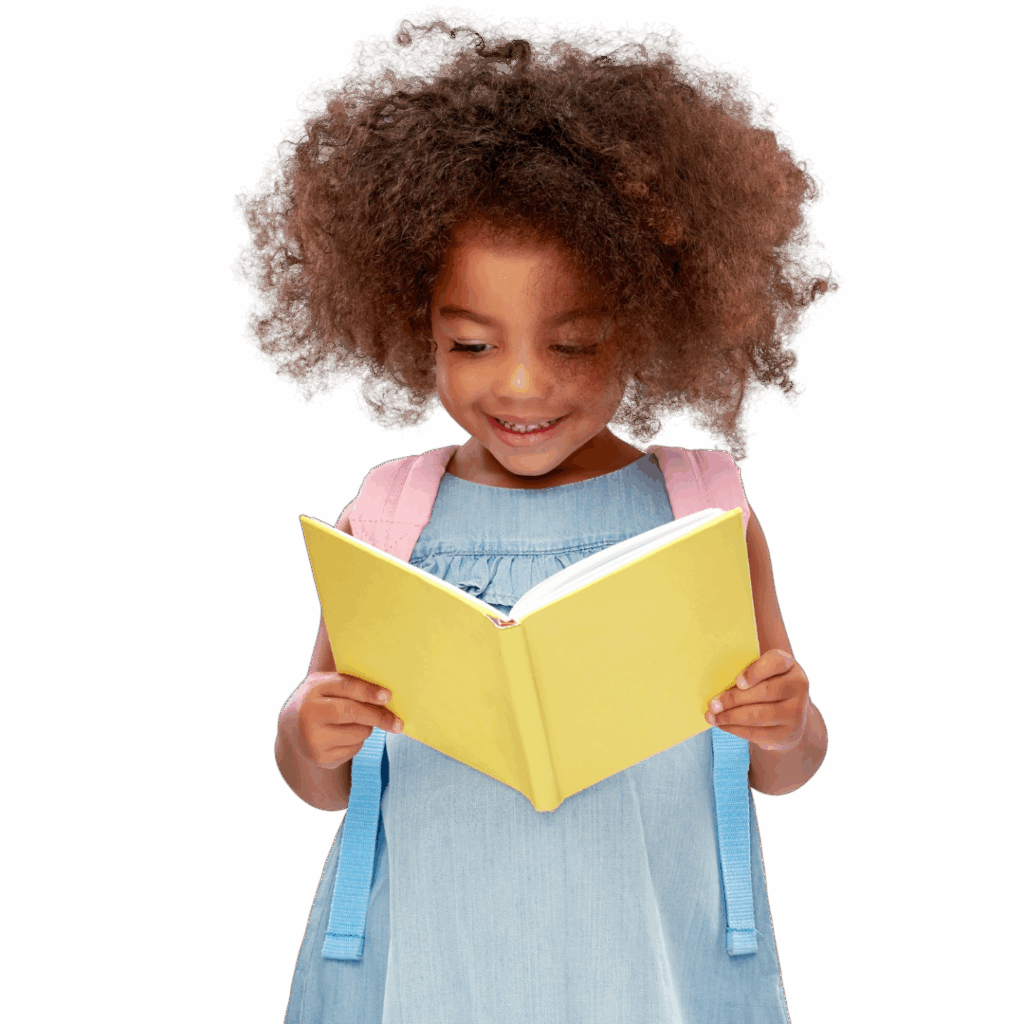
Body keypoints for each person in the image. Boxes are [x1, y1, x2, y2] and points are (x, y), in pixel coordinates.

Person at [244, 22, 833, 1023]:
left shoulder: (705, 513)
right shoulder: (387, 515)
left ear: (643, 323)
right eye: (472, 344)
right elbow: (319, 781)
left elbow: (784, 767)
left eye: (574, 343)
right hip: (424, 966)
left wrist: (787, 720)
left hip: (649, 961)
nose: (521, 385)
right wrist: (308, 728)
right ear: (416, 325)